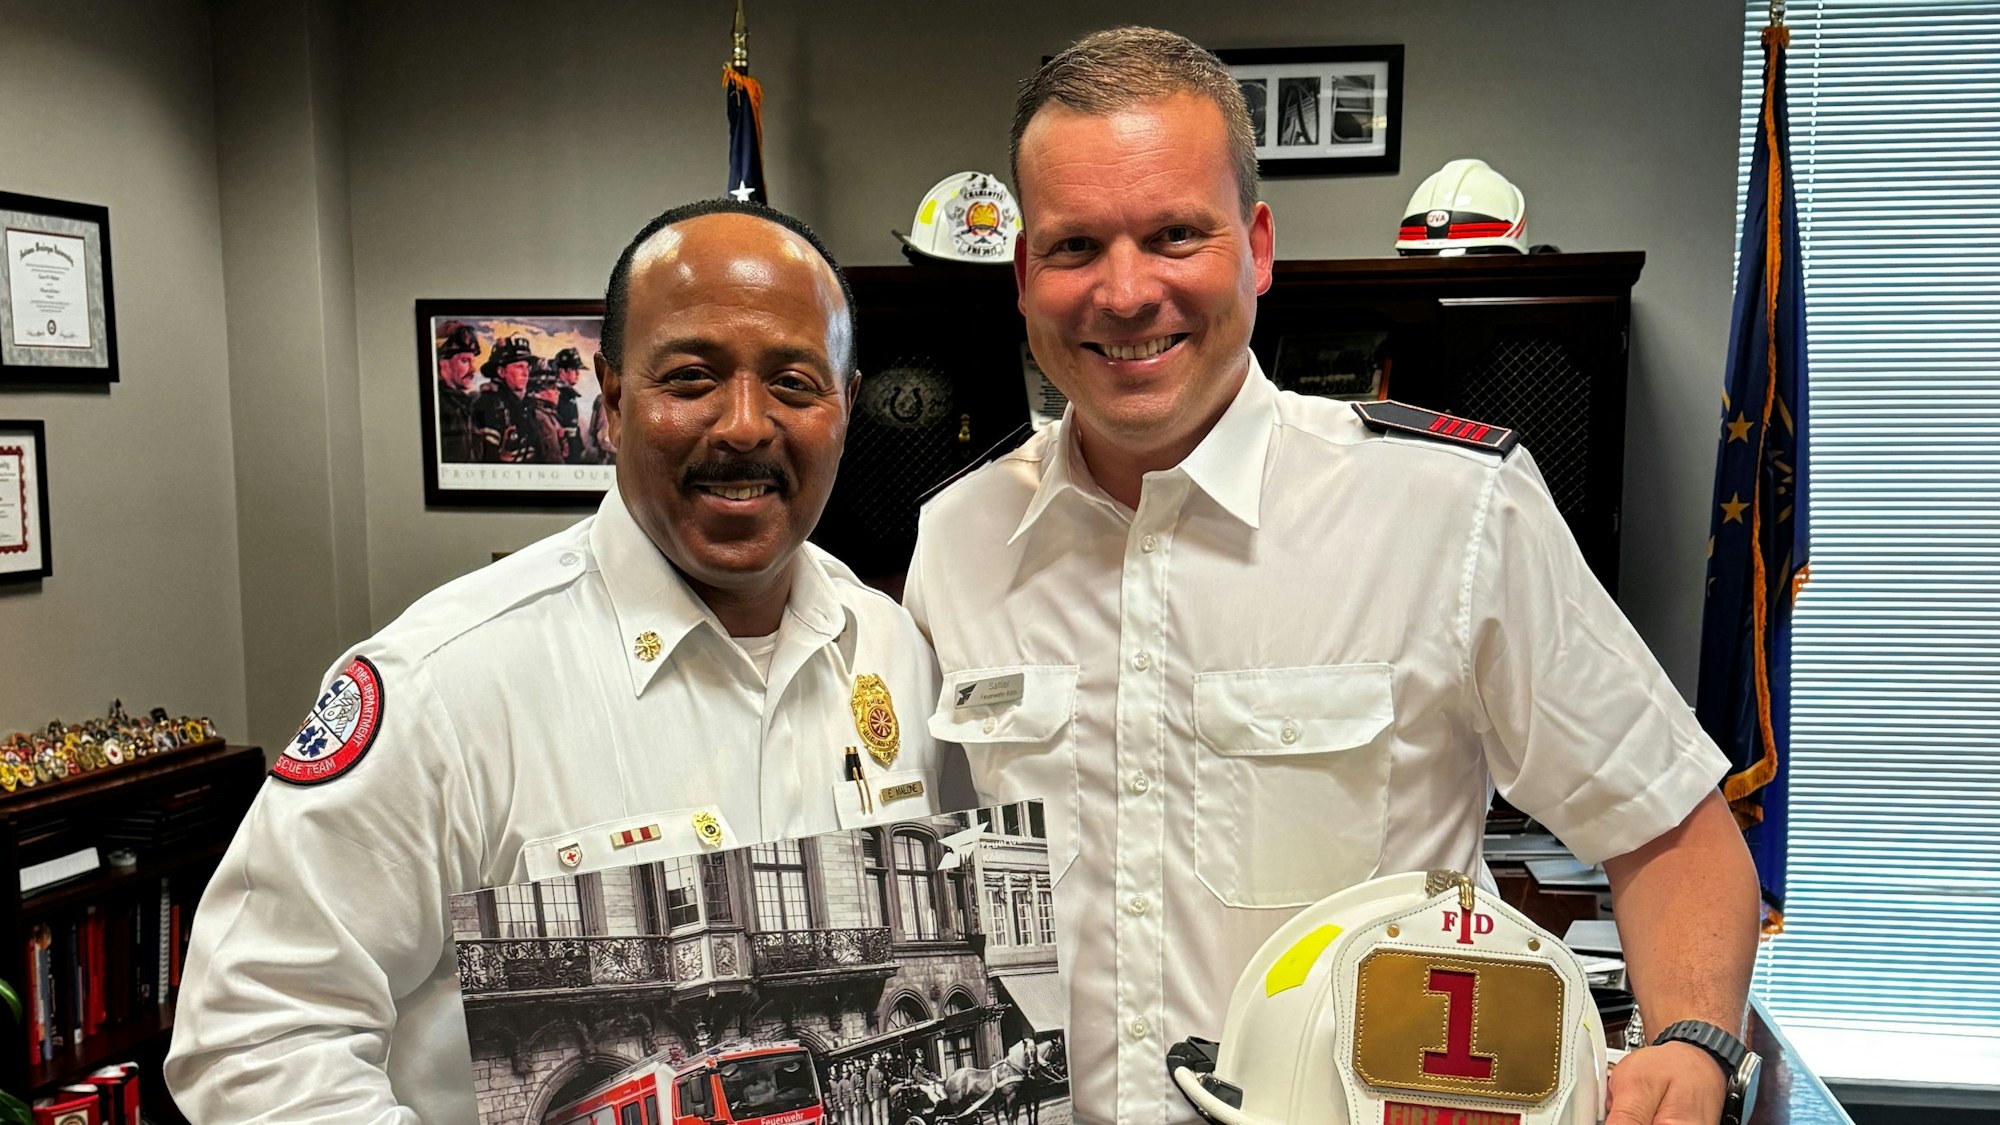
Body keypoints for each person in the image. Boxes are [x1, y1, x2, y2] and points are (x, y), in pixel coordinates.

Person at [903, 26, 1759, 1125]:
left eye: (1175, 235)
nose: (1123, 294)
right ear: (1024, 275)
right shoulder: (957, 540)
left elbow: (1666, 827)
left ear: (1255, 247)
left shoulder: (1453, 510)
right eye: (1073, 248)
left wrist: (1691, 1042)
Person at [166, 198, 973, 1124]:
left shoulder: (897, 651)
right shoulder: (446, 681)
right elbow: (253, 1034)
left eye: (794, 382)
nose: (746, 425)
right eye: (692, 377)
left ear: (845, 403)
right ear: (615, 398)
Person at [470, 335, 554, 462]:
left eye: (527, 367)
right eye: (519, 366)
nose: (525, 373)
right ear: (501, 372)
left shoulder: (528, 405)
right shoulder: (489, 405)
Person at [434, 322, 484, 462]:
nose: (473, 369)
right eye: (464, 361)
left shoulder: (464, 405)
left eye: (473, 361)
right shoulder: (439, 406)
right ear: (442, 362)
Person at [554, 345, 589, 462]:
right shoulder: (555, 394)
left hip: (572, 445)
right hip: (561, 447)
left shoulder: (568, 393)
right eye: (573, 369)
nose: (578, 373)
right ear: (562, 371)